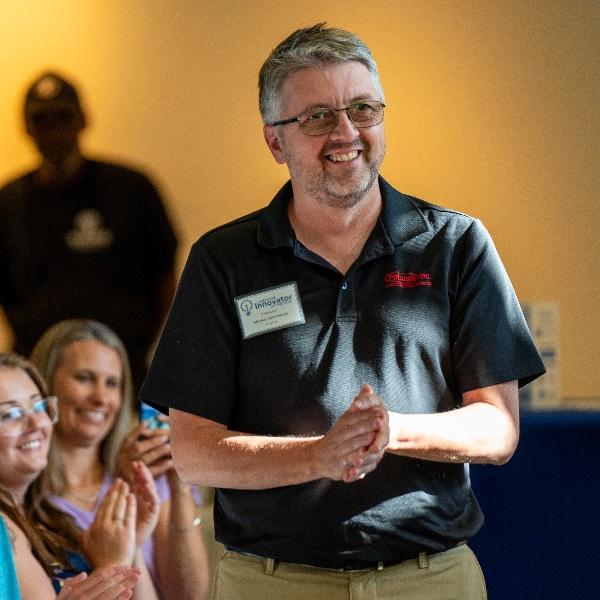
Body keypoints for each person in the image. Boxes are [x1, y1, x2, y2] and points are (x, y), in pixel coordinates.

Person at [140, 23, 546, 600]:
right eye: (318, 117)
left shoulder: (455, 245)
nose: (347, 132)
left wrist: (386, 431)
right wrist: (320, 454)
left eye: (364, 108)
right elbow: (194, 450)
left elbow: (499, 430)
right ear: (275, 142)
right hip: (269, 583)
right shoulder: (223, 261)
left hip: (428, 579)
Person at [0, 70, 178, 391]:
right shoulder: (8, 202)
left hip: (121, 376)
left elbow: (165, 274)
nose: (53, 129)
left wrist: (136, 348)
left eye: (62, 116)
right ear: (26, 126)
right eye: (41, 119)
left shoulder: (131, 189)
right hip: (37, 379)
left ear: (83, 119)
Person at [30, 319, 209, 600]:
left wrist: (179, 483)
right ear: (46, 384)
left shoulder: (146, 476)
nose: (101, 397)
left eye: (112, 383)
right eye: (84, 378)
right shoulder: (25, 489)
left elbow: (189, 596)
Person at [0, 351, 158, 599]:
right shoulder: (3, 530)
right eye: (10, 414)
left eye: (39, 406)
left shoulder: (46, 517)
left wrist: (130, 545)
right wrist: (112, 565)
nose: (36, 424)